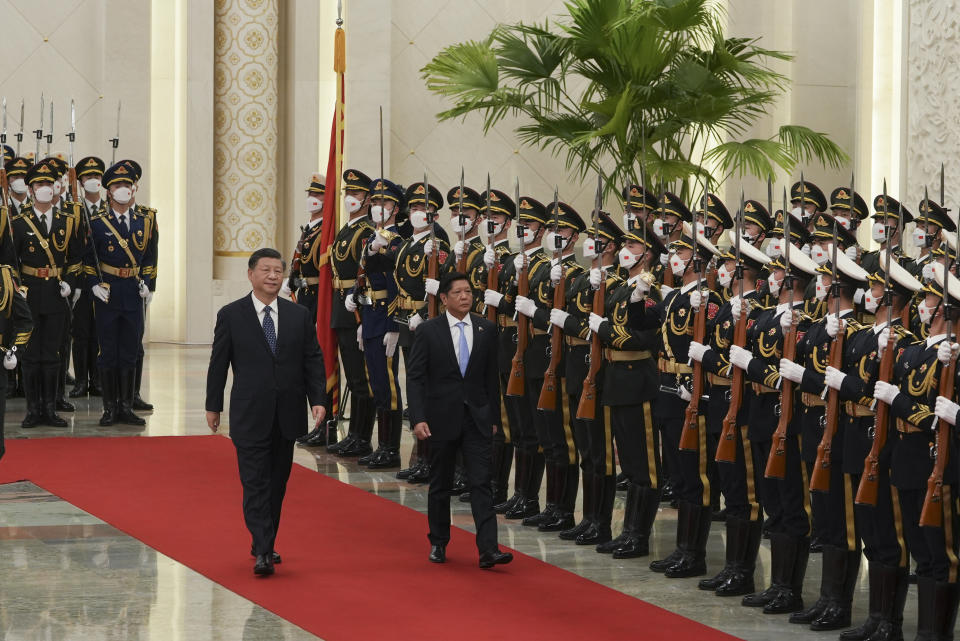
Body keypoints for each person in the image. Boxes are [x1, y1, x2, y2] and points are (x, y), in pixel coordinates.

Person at [205, 247, 327, 576]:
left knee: (276, 483)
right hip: (249, 413)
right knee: (254, 482)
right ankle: (263, 548)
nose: (273, 276)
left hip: (286, 413)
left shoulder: (298, 315)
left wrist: (318, 398)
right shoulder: (231, 314)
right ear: (251, 274)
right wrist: (212, 405)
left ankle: (265, 537)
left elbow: (312, 359)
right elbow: (219, 363)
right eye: (266, 270)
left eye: (278, 271)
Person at [405, 271, 513, 569]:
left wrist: (492, 416)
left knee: (481, 482)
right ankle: (438, 541)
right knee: (440, 483)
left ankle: (488, 549)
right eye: (458, 293)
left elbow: (491, 377)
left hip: (477, 418)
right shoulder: (429, 331)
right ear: (443, 298)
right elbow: (415, 379)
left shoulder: (486, 329)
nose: (465, 297)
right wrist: (418, 417)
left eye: (468, 292)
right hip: (440, 418)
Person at [82, 160, 157, 427]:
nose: (123, 189)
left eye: (127, 184)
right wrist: (92, 284)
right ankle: (109, 408)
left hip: (133, 293)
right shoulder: (96, 222)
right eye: (117, 185)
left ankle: (126, 406)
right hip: (108, 291)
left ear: (134, 188)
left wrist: (148, 282)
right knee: (108, 351)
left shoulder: (145, 221)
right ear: (108, 191)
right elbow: (87, 259)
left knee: (130, 350)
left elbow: (150, 257)